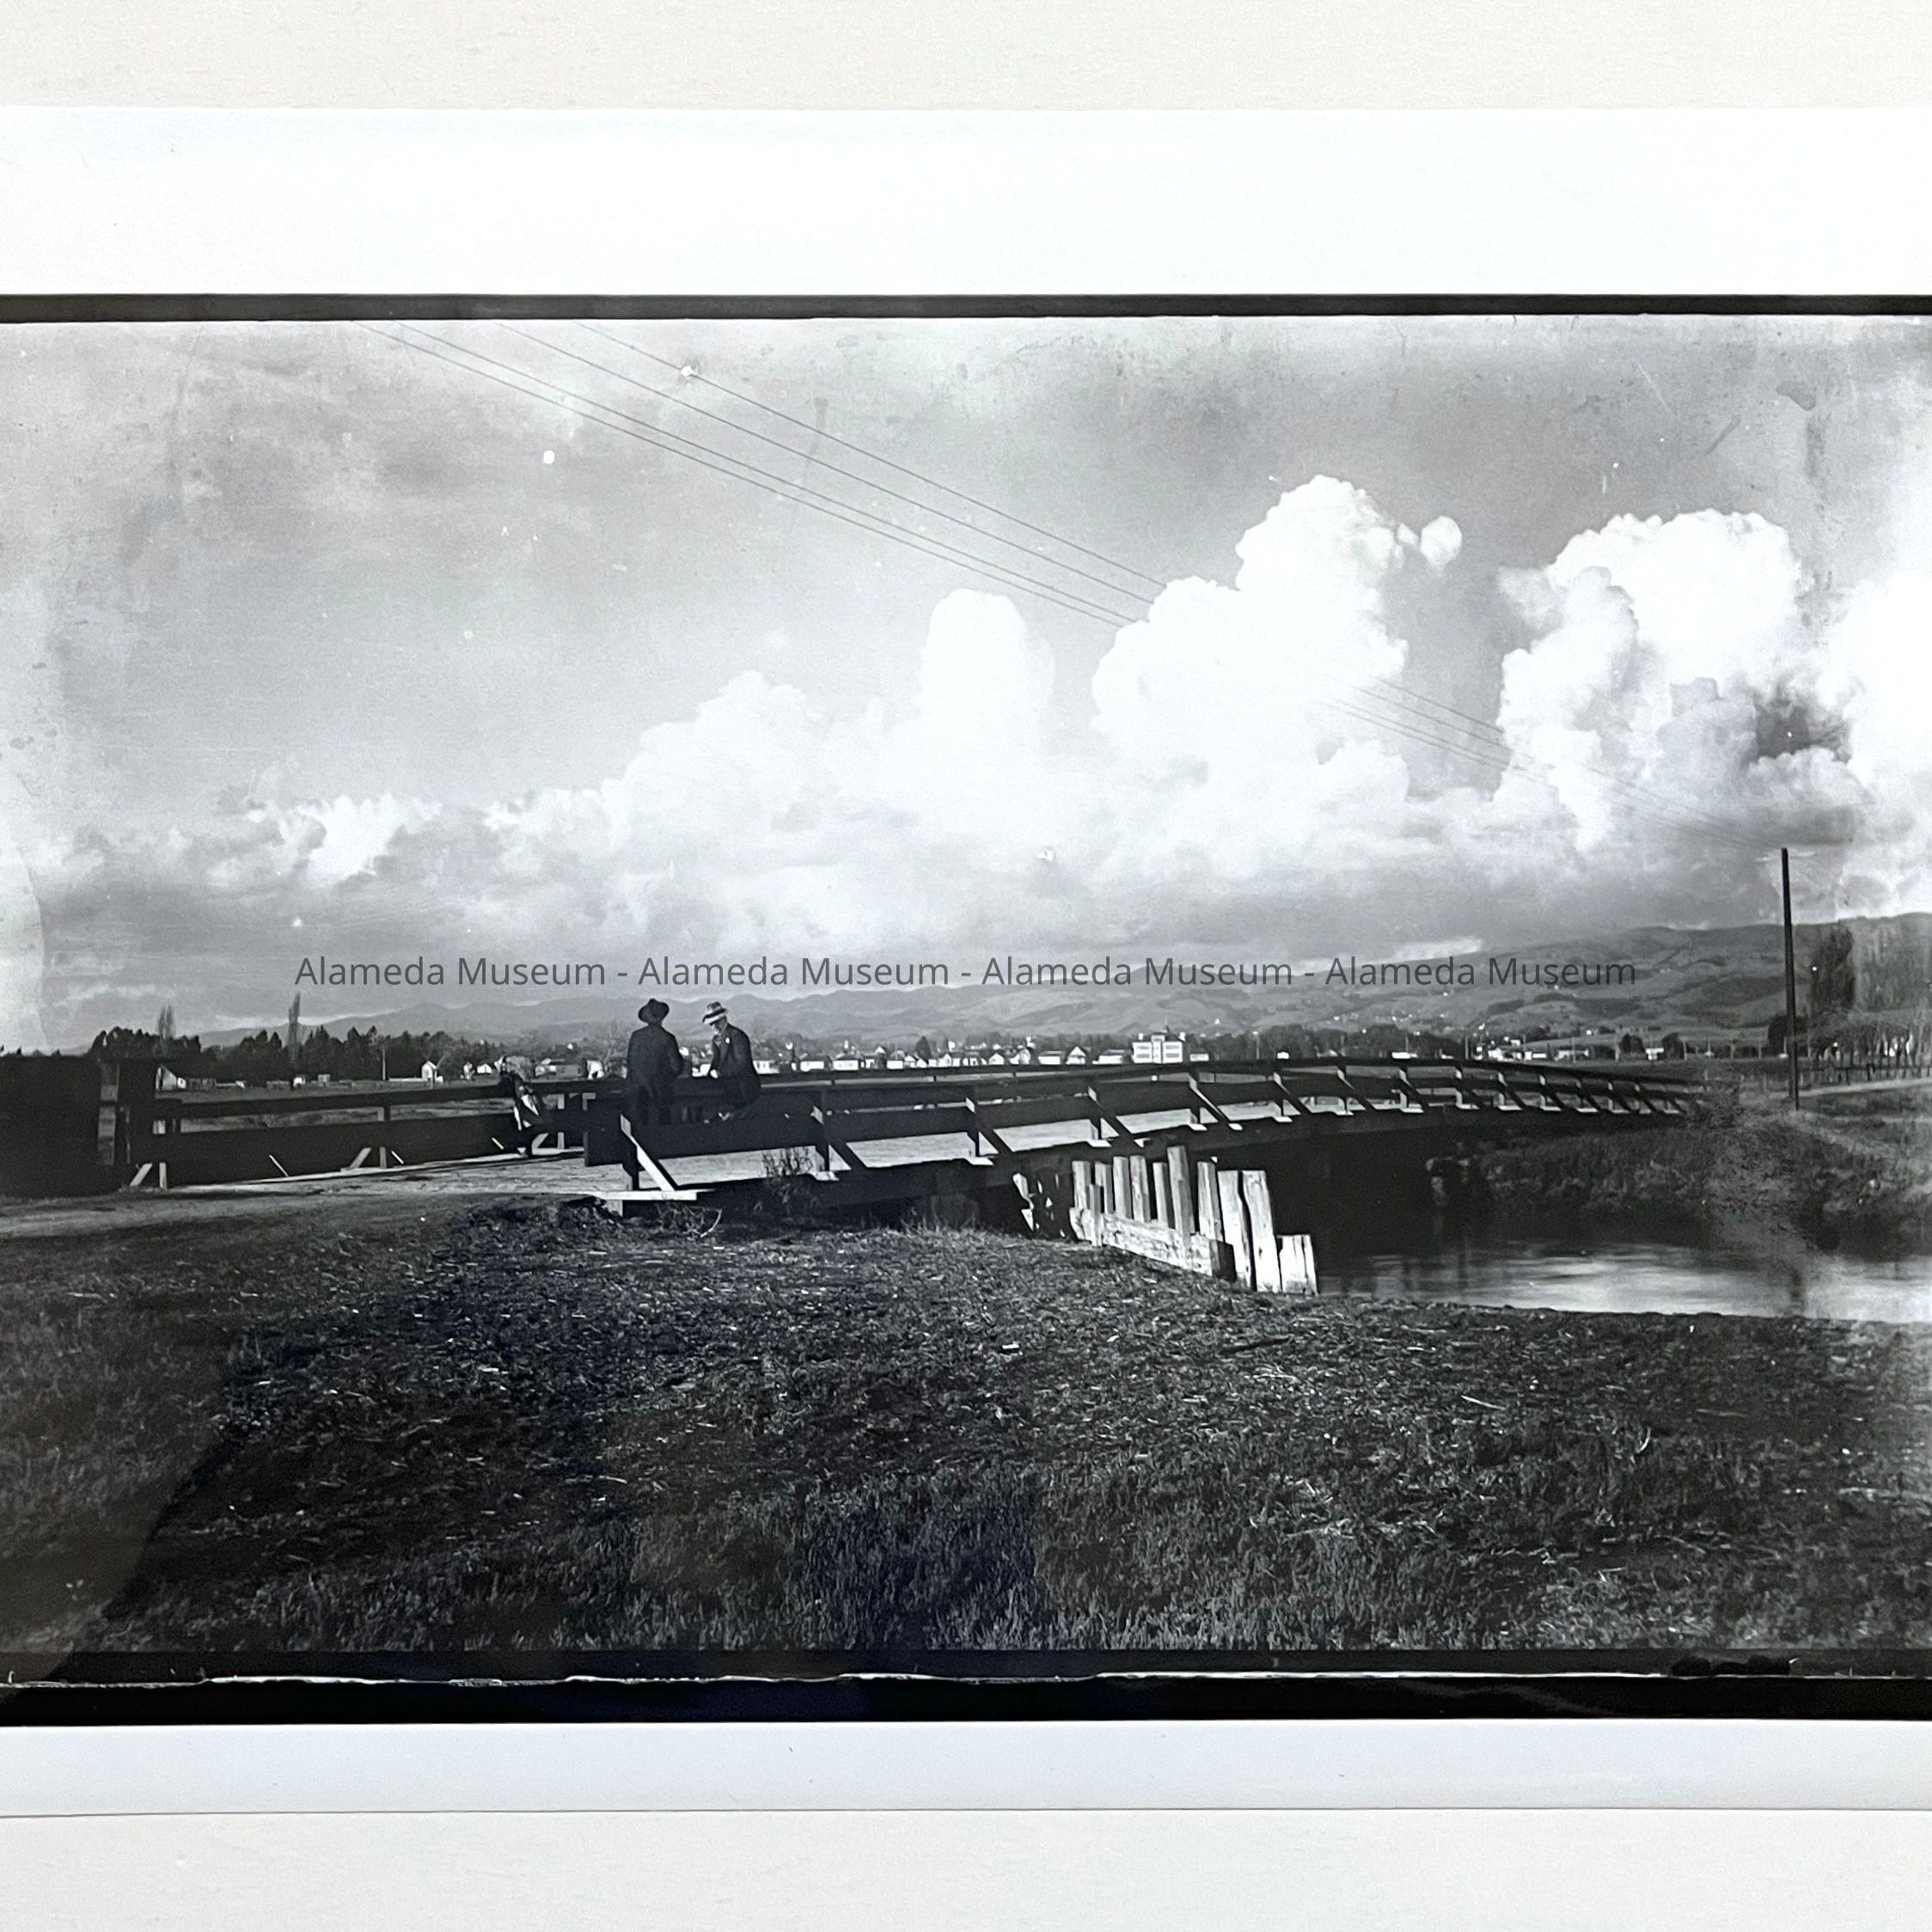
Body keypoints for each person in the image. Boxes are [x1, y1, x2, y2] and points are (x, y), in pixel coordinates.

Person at [622, 1003, 687, 1181]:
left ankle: (636, 1165)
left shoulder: (636, 1037)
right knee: (661, 1130)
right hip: (659, 1095)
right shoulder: (667, 1038)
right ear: (662, 1018)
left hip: (636, 1095)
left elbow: (630, 1063)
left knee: (637, 1129)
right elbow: (676, 1066)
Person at [703, 1001, 761, 1112]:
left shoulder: (737, 1036)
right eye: (711, 1024)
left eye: (716, 1022)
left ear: (724, 1019)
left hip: (742, 1089)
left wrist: (721, 1074)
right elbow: (716, 1062)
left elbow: (743, 1064)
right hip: (726, 1089)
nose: (714, 1026)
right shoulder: (716, 1040)